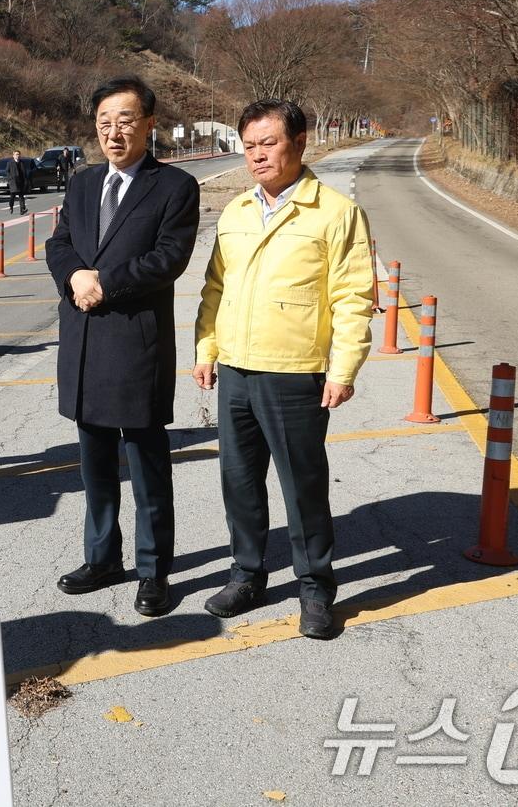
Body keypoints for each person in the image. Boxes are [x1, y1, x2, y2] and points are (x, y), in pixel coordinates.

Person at [193, 99, 374, 641]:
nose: (257, 155)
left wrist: (344, 368)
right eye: (249, 146)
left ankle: (316, 588)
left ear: (299, 143)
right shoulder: (237, 211)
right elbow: (215, 288)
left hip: (295, 373)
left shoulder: (336, 212)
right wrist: (206, 349)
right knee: (239, 481)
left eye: (268, 143)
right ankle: (247, 574)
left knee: (302, 487)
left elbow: (353, 296)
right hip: (237, 370)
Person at [45, 76, 200, 617]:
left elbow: (168, 258)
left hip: (136, 347)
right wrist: (73, 280)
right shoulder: (83, 183)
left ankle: (154, 569)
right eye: (105, 122)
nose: (114, 132)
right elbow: (59, 244)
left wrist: (102, 283)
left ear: (149, 124)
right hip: (84, 346)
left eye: (126, 121)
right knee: (95, 468)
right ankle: (102, 556)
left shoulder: (175, 187)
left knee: (147, 468)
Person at [4, 149, 30, 214]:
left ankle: (22, 210)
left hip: (20, 182)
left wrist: (26, 180)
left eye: (18, 154)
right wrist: (10, 178)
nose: (17, 156)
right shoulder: (10, 163)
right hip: (13, 182)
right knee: (12, 196)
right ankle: (11, 207)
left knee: (21, 196)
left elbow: (24, 172)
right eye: (16, 154)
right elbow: (7, 171)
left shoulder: (22, 162)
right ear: (13, 155)